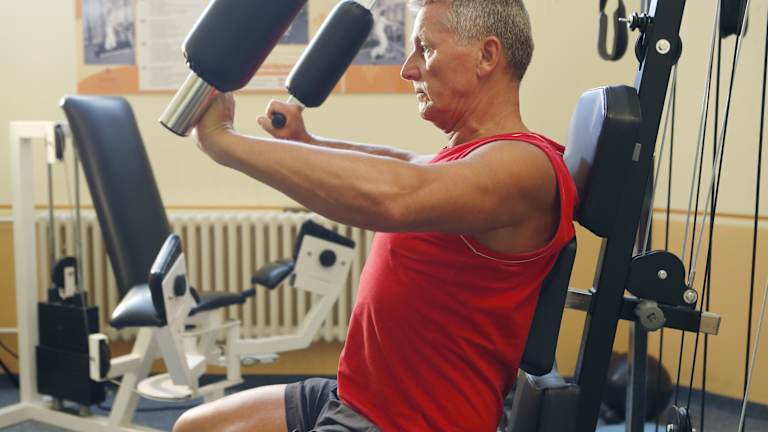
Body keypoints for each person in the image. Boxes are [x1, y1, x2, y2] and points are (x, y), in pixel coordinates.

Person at [173, 0, 577, 430]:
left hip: (414, 422)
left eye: (425, 48)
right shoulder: (467, 158)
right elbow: (405, 163)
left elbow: (397, 197)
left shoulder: (526, 165)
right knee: (193, 427)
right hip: (358, 396)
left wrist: (224, 142)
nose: (408, 69)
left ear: (487, 55)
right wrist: (305, 142)